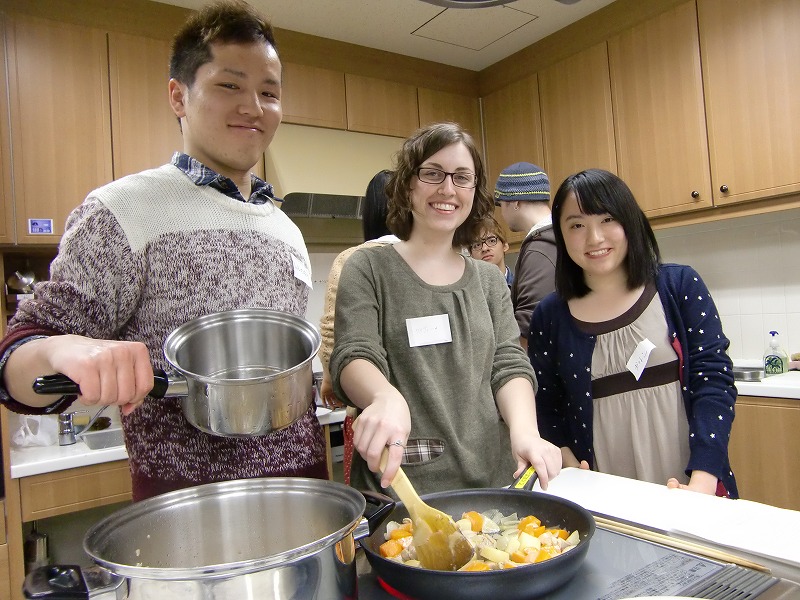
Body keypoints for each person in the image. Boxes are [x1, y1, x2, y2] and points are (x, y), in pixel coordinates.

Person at [0, 0, 328, 501]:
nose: (254, 107)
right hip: (188, 512)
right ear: (179, 96)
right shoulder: (122, 211)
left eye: (269, 92)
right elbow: (14, 365)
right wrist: (62, 349)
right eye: (230, 85)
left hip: (305, 494)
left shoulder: (286, 230)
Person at [329, 122, 562, 498]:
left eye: (462, 177)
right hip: (403, 490)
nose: (448, 189)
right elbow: (354, 352)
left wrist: (525, 432)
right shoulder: (368, 268)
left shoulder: (488, 280)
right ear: (408, 183)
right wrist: (383, 396)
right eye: (433, 173)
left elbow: (508, 363)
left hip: (493, 481)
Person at [528, 168, 738, 498]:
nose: (594, 238)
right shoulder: (550, 315)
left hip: (691, 484)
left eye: (607, 219)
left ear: (630, 221)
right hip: (603, 493)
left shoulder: (679, 285)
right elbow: (546, 405)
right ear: (561, 235)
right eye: (577, 225)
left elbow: (713, 381)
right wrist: (569, 464)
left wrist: (702, 481)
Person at [318, 169, 399, 409]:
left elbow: (332, 328)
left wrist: (330, 378)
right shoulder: (425, 259)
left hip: (370, 400)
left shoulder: (350, 260)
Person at [494, 162, 556, 350]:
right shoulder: (559, 237)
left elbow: (530, 322)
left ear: (515, 203)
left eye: (501, 205)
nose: (502, 213)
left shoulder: (540, 248)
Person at [468, 218, 513, 287]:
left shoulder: (523, 286)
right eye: (477, 245)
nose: (484, 248)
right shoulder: (467, 291)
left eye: (491, 241)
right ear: (471, 254)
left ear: (505, 246)